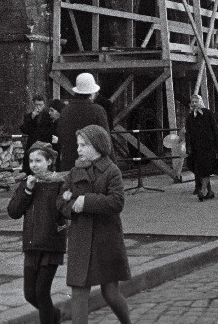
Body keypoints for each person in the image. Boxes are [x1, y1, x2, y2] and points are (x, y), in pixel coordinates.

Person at [56, 125, 132, 324]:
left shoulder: (111, 171)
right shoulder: (75, 171)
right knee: (78, 291)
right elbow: (61, 200)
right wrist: (72, 206)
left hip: (106, 240)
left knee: (110, 292)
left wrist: (86, 201)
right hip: (81, 239)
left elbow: (117, 202)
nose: (79, 149)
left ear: (98, 146)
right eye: (78, 145)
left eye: (83, 145)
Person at [7, 141, 66, 324]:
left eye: (38, 160)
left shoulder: (59, 183)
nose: (34, 164)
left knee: (41, 292)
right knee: (30, 294)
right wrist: (27, 190)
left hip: (50, 244)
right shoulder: (28, 183)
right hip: (32, 245)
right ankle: (54, 315)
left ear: (49, 161)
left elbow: (64, 210)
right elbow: (13, 212)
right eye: (31, 160)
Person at [56, 74, 110, 171]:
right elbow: (105, 141)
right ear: (92, 92)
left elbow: (61, 137)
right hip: (93, 167)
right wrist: (111, 166)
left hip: (69, 165)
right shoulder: (97, 110)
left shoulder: (65, 111)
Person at [185, 93, 218, 201]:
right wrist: (188, 146)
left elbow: (215, 129)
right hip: (196, 147)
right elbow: (188, 133)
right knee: (199, 169)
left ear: (200, 102)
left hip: (209, 146)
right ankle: (210, 192)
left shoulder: (208, 113)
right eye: (193, 102)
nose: (195, 104)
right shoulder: (190, 117)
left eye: (196, 101)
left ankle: (202, 190)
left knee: (206, 168)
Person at [19, 95, 54, 174]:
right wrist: (32, 117)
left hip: (45, 145)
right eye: (36, 104)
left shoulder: (49, 116)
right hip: (32, 145)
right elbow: (24, 130)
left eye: (40, 105)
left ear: (44, 105)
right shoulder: (29, 116)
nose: (38, 107)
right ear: (33, 104)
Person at [48, 99, 64, 170]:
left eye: (52, 110)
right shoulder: (53, 123)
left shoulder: (60, 124)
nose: (49, 113)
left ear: (58, 111)